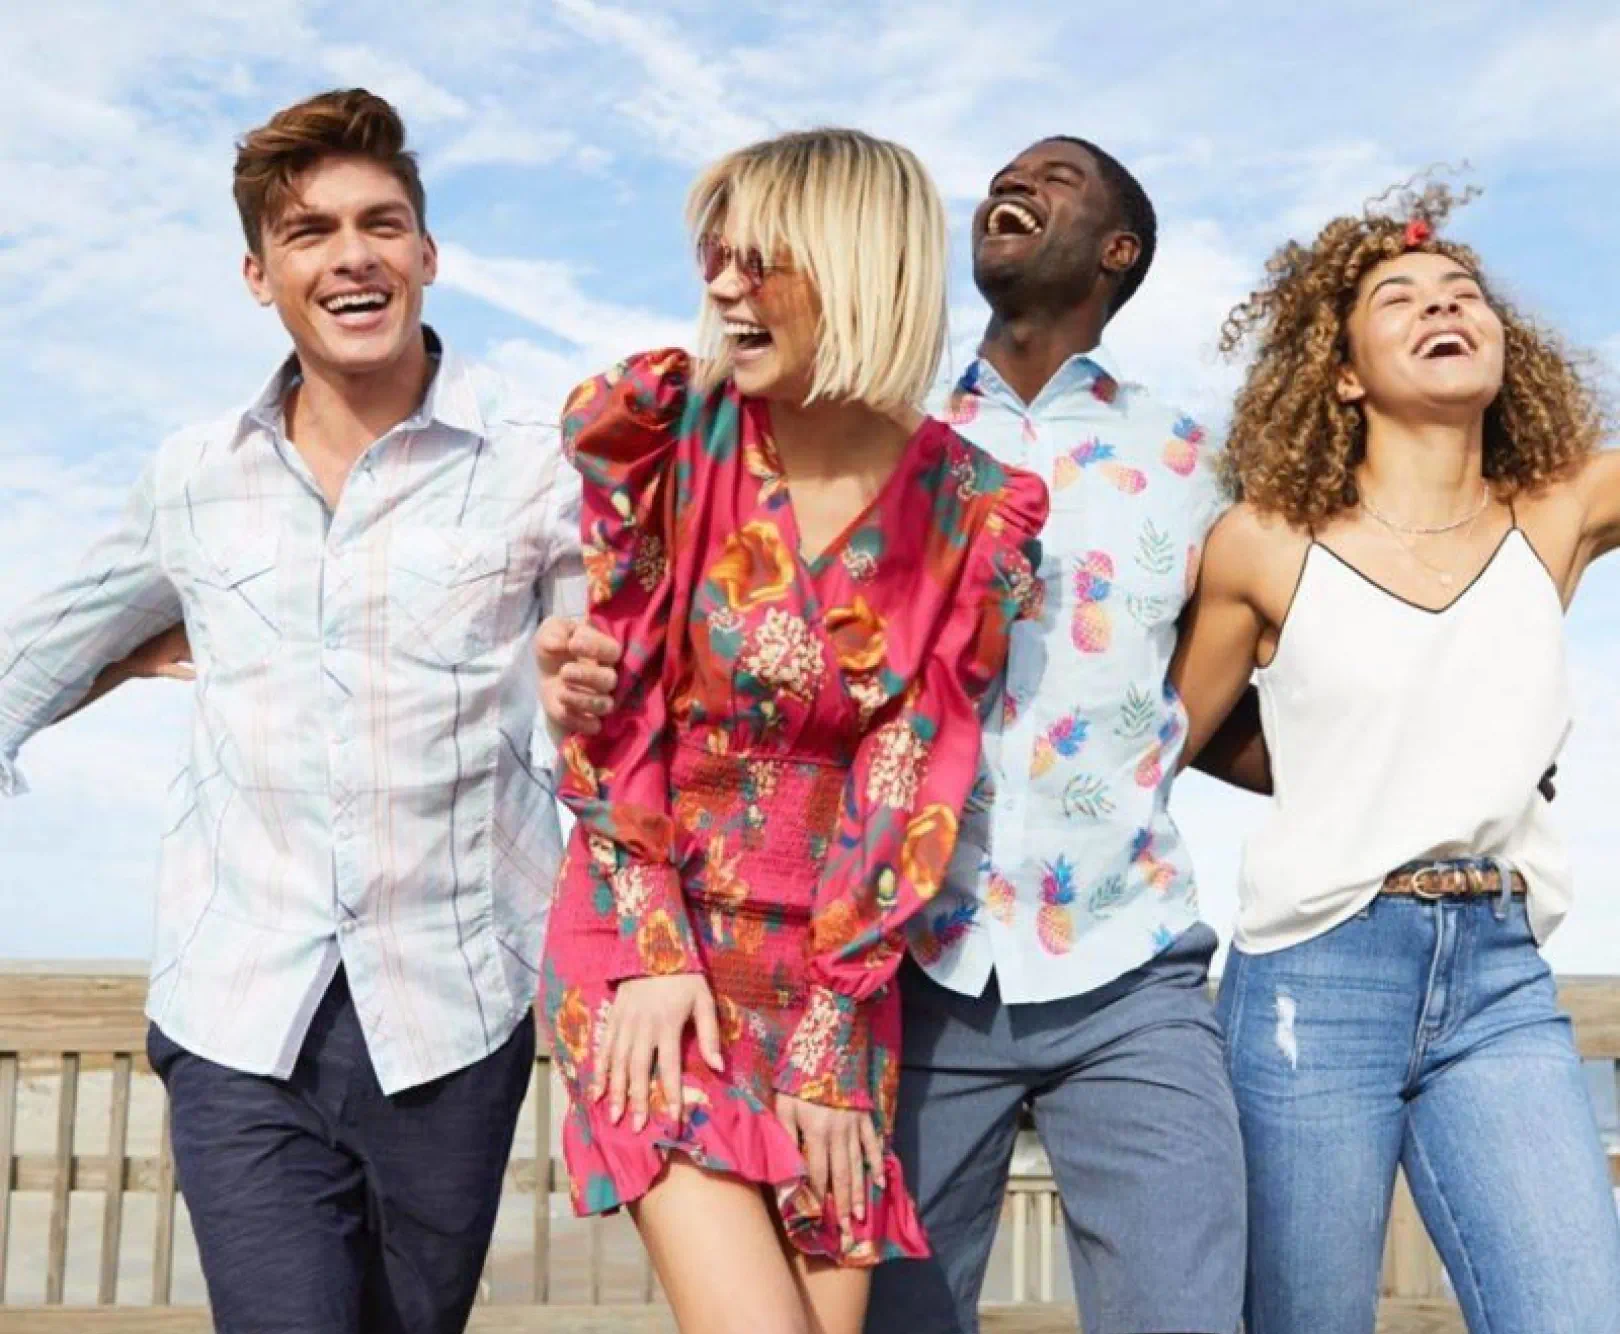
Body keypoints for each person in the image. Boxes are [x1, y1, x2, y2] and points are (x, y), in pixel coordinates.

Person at [543, 135, 1256, 1334]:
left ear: (856, 264)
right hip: (652, 929)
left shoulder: (971, 506)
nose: (723, 287)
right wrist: (657, 952)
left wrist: (829, 1032)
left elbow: (908, 773)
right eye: (718, 258)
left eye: (761, 261)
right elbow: (615, 710)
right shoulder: (664, 428)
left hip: (838, 969)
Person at [0, 89, 583, 1333]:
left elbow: (612, 708)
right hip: (238, 1011)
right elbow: (39, 653)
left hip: (453, 1014)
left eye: (382, 223)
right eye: (311, 232)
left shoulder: (539, 464)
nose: (352, 253)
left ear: (427, 255)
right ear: (260, 275)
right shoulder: (193, 479)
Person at [1169, 179, 1620, 1333]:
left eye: (1465, 293)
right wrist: (1326, 768)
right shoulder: (1264, 543)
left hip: (1501, 976)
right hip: (1313, 976)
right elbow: (1152, 741)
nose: (1444, 303)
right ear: (1344, 373)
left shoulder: (1557, 512)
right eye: (1402, 297)